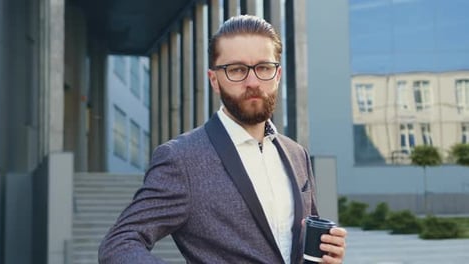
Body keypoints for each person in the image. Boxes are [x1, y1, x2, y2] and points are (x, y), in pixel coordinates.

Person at [98, 14, 347, 264]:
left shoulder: (297, 154)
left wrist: (326, 255)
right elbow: (119, 244)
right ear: (214, 80)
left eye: (263, 68)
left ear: (278, 74)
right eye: (237, 70)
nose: (253, 82)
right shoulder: (181, 159)